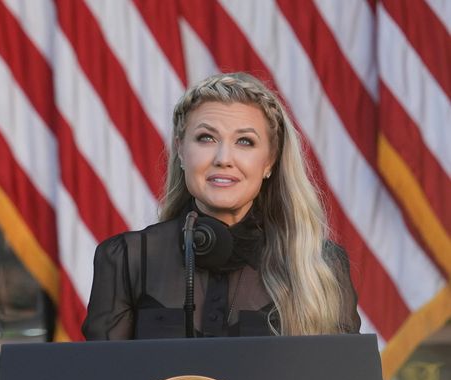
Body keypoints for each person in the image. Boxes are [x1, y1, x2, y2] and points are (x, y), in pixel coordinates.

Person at [82, 72, 360, 340]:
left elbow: (342, 372)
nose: (223, 158)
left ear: (269, 161)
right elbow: (104, 372)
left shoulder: (321, 265)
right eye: (206, 138)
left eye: (245, 141)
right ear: (181, 151)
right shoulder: (126, 259)